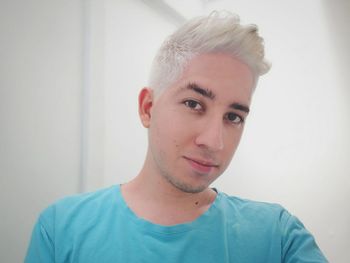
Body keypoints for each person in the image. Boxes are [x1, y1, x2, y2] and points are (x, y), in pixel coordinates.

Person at [25, 11, 328, 262]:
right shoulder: (62, 229)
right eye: (194, 104)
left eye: (233, 117)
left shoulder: (276, 238)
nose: (214, 141)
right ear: (148, 107)